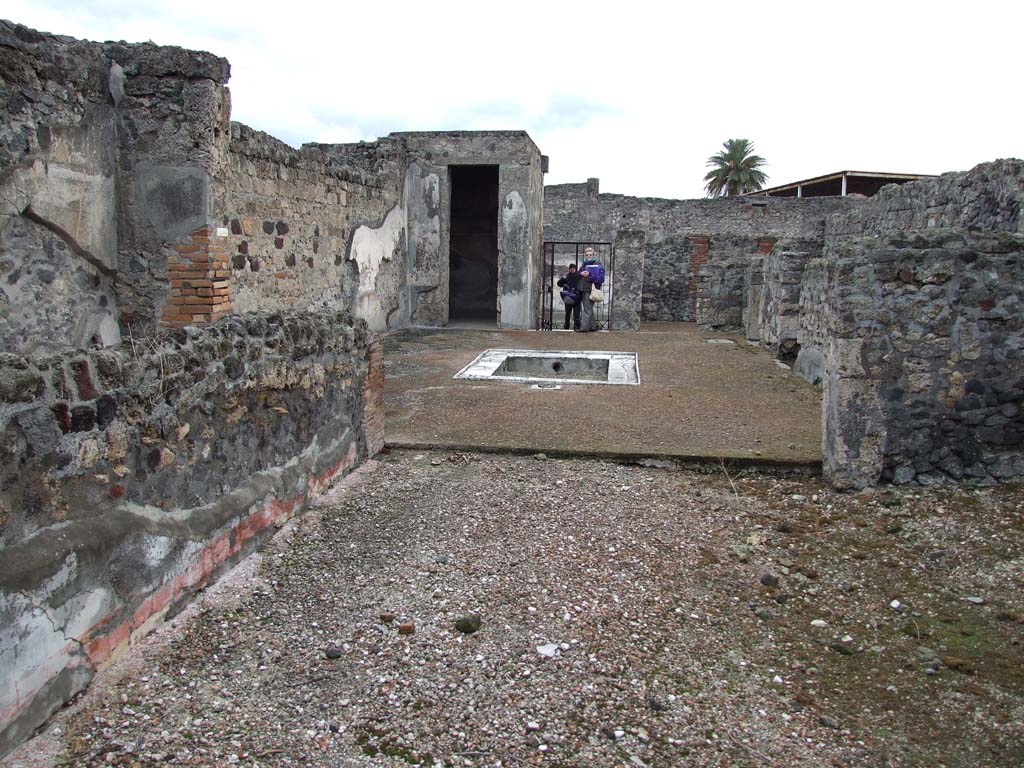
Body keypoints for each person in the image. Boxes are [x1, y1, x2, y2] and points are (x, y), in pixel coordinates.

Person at [576, 247, 598, 332]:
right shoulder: (584, 264)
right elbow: (578, 273)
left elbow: (599, 277)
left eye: (590, 254)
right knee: (588, 308)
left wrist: (589, 275)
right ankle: (592, 327)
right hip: (582, 289)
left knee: (587, 309)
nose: (589, 256)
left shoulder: (597, 263)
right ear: (585, 255)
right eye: (587, 255)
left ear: (593, 255)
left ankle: (584, 328)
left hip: (590, 289)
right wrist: (581, 273)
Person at [556, 263, 581, 330]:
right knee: (567, 313)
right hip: (568, 297)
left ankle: (577, 327)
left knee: (577, 314)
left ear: (575, 269)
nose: (572, 269)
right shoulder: (567, 277)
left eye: (573, 268)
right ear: (569, 269)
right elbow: (559, 284)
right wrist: (562, 280)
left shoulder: (579, 276)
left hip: (576, 298)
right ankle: (566, 326)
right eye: (571, 268)